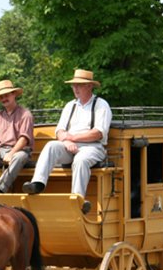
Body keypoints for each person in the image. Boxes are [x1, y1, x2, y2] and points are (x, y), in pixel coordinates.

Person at [22, 69, 112, 214]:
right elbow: (59, 131)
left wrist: (72, 138)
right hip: (69, 145)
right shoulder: (70, 106)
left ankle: (77, 200)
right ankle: (37, 184)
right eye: (73, 85)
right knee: (51, 145)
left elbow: (98, 133)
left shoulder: (101, 105)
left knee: (81, 160)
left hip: (93, 147)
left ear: (89, 86)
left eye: (79, 85)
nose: (75, 88)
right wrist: (66, 141)